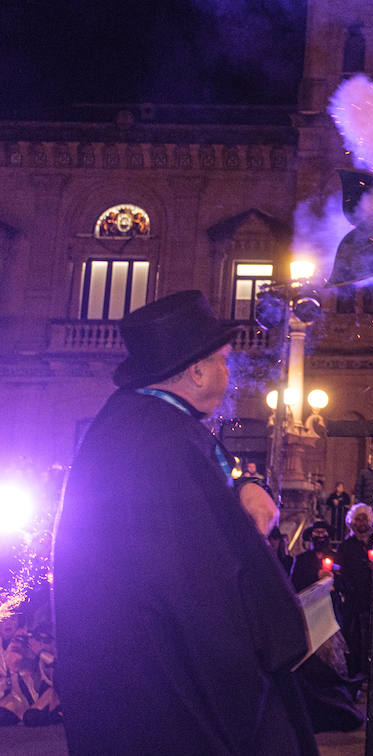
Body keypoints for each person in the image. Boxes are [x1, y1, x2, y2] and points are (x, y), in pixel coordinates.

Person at [51, 289, 317, 754]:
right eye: (223, 361)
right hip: (165, 693)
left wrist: (239, 488)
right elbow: (204, 583)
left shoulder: (139, 421)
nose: (228, 373)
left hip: (126, 681)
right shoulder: (164, 441)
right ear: (196, 371)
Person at [336, 503, 373, 678]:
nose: (361, 523)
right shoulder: (346, 546)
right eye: (357, 519)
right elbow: (341, 571)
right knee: (355, 639)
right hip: (354, 600)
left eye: (364, 519)